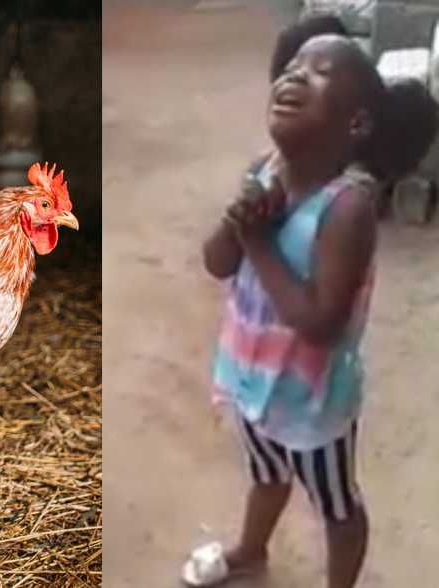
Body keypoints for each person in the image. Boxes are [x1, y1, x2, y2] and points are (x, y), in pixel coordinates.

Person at [181, 35, 438, 588]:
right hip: (255, 381)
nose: (295, 76)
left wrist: (259, 244)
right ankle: (251, 551)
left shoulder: (348, 208)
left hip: (311, 404)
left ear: (356, 124)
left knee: (337, 505)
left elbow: (322, 323)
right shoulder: (262, 172)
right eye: (293, 66)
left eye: (320, 73)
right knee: (267, 474)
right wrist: (238, 222)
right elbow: (216, 262)